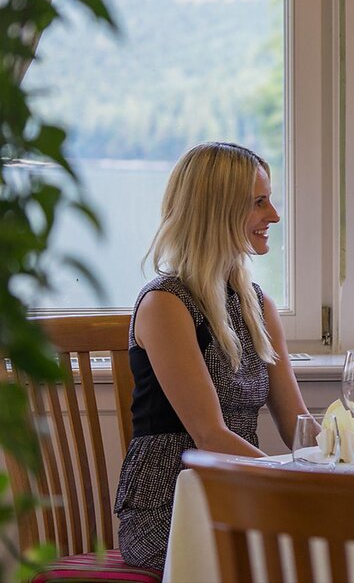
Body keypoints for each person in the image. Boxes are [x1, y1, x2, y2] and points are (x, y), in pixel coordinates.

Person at [114, 142, 311, 570]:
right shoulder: (165, 304)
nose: (274, 215)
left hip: (243, 499)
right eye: (259, 202)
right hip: (170, 510)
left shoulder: (258, 306)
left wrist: (351, 463)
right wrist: (305, 486)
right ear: (216, 210)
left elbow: (297, 422)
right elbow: (210, 436)